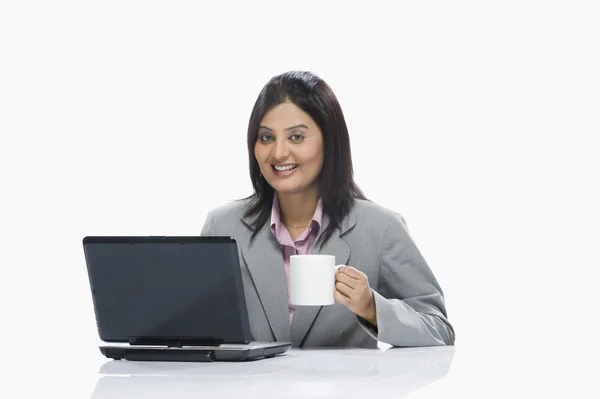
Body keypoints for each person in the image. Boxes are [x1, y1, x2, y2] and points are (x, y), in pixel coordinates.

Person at [201, 71, 455, 348]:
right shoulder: (223, 227)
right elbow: (196, 327)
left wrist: (371, 307)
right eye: (266, 138)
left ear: (329, 141)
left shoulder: (380, 229)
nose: (278, 153)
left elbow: (440, 330)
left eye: (296, 137)